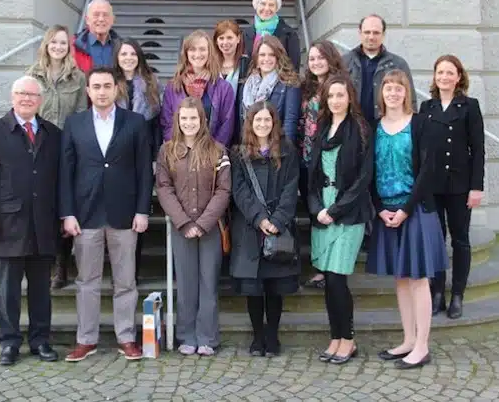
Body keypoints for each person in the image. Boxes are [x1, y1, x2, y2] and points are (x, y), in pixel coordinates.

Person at [60, 67, 153, 362]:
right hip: (85, 214)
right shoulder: (74, 124)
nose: (101, 91)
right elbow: (66, 172)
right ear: (88, 90)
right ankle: (86, 339)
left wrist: (142, 209)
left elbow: (143, 171)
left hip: (124, 213)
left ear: (116, 89)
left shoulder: (135, 123)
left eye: (107, 86)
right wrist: (67, 213)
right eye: (96, 86)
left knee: (125, 281)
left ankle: (126, 337)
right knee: (87, 281)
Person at [0, 76, 61, 366]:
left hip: (43, 224)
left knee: (41, 290)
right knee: (8, 290)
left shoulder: (53, 133)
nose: (27, 99)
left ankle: (40, 340)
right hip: (8, 223)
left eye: (32, 95)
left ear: (40, 100)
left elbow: (60, 180)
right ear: (12, 97)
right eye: (21, 93)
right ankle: (9, 343)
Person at [366, 70, 448, 370]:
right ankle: (408, 339)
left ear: (407, 93)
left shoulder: (420, 124)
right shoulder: (375, 128)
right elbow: (369, 172)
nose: (393, 93)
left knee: (418, 279)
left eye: (399, 88)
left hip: (414, 211)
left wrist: (406, 210)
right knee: (401, 279)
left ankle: (423, 346)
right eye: (388, 88)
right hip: (386, 211)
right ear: (382, 93)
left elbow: (428, 171)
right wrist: (378, 208)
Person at [156, 97, 231, 356]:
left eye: (194, 118)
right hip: (181, 228)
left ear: (203, 121)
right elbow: (164, 188)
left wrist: (203, 223)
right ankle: (186, 335)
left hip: (210, 227)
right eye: (184, 118)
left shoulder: (218, 150)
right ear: (178, 120)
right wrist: (184, 222)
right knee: (186, 283)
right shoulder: (167, 151)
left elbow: (224, 189)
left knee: (208, 282)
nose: (189, 123)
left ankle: (207, 337)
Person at [308, 75, 373, 365]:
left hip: (348, 214)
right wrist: (317, 208)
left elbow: (363, 180)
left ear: (350, 98)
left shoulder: (359, 129)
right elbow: (310, 175)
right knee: (329, 282)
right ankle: (335, 337)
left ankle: (348, 339)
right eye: (331, 95)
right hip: (322, 210)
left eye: (340, 95)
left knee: (337, 280)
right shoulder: (322, 128)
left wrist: (335, 210)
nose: (335, 100)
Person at [230, 101, 300, 357]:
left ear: (274, 123)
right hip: (250, 228)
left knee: (274, 288)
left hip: (278, 228)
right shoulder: (238, 153)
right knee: (254, 288)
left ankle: (273, 335)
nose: (262, 124)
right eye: (257, 120)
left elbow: (291, 188)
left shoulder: (288, 151)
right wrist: (259, 219)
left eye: (267, 120)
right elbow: (239, 190)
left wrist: (278, 220)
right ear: (250, 123)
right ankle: (257, 335)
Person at [420, 55, 485, 319]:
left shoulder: (469, 106)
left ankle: (457, 294)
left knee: (460, 240)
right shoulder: (427, 107)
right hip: (432, 185)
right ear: (435, 77)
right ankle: (437, 293)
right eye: (440, 73)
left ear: (459, 77)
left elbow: (478, 149)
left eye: (450, 73)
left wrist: (476, 187)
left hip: (460, 184)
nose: (444, 77)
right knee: (436, 241)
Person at [26, 24, 87, 290]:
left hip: (67, 148)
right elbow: (24, 110)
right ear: (47, 45)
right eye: (54, 43)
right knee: (42, 206)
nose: (59, 47)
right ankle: (45, 263)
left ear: (68, 47)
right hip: (38, 149)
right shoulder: (32, 75)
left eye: (63, 43)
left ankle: (62, 265)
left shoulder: (78, 77)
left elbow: (83, 114)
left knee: (65, 205)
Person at [298, 40, 349, 289]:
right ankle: (319, 266)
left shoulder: (340, 86)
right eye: (312, 59)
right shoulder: (306, 87)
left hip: (332, 155)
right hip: (308, 157)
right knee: (314, 211)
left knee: (332, 208)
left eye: (321, 58)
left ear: (330, 58)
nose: (316, 62)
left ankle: (334, 265)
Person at [113, 37, 164, 283]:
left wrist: (156, 157)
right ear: (117, 57)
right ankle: (118, 271)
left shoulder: (152, 83)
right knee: (118, 214)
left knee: (140, 212)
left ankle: (134, 270)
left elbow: (157, 126)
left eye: (132, 54)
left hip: (143, 155)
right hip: (116, 157)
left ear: (139, 57)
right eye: (124, 54)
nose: (128, 58)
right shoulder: (110, 83)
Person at [161, 30, 235, 147]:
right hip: (180, 155)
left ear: (209, 52)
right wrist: (179, 150)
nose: (197, 54)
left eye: (202, 49)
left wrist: (213, 151)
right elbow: (167, 123)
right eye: (192, 49)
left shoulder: (223, 88)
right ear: (186, 53)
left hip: (211, 155)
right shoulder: (173, 87)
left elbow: (227, 125)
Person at [343, 14, 416, 126]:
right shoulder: (345, 62)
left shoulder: (398, 64)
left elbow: (411, 102)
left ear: (383, 35)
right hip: (351, 129)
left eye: (376, 32)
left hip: (386, 129)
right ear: (360, 33)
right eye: (367, 32)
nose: (371, 37)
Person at [237, 36, 301, 143]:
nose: (266, 59)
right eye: (262, 55)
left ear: (278, 58)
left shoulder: (289, 84)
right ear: (256, 59)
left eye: (272, 55)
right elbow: (242, 124)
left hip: (277, 148)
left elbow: (290, 122)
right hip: (251, 147)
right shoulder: (245, 86)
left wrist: (286, 152)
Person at [243, 0, 301, 71]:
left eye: (271, 5)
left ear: (276, 8)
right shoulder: (247, 34)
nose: (267, 8)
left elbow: (294, 66)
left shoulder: (289, 34)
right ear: (256, 5)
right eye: (263, 4)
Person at [72, 0, 122, 72]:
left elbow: (136, 75)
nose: (101, 19)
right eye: (96, 15)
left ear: (113, 20)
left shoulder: (123, 47)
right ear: (87, 20)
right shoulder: (73, 46)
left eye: (105, 15)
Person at [213, 19, 249, 96]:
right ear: (216, 41)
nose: (225, 42)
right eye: (221, 38)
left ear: (238, 39)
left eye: (229, 38)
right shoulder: (210, 64)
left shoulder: (247, 64)